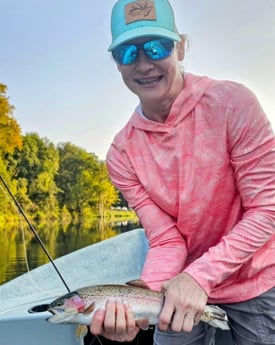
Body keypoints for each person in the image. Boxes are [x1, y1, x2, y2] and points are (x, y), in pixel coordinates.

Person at [90, 0, 275, 344]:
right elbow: (165, 239)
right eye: (128, 53)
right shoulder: (121, 155)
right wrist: (140, 302)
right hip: (175, 286)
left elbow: (267, 209)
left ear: (181, 47)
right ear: (116, 63)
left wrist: (200, 276)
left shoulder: (233, 104)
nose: (144, 64)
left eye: (157, 47)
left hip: (254, 278)